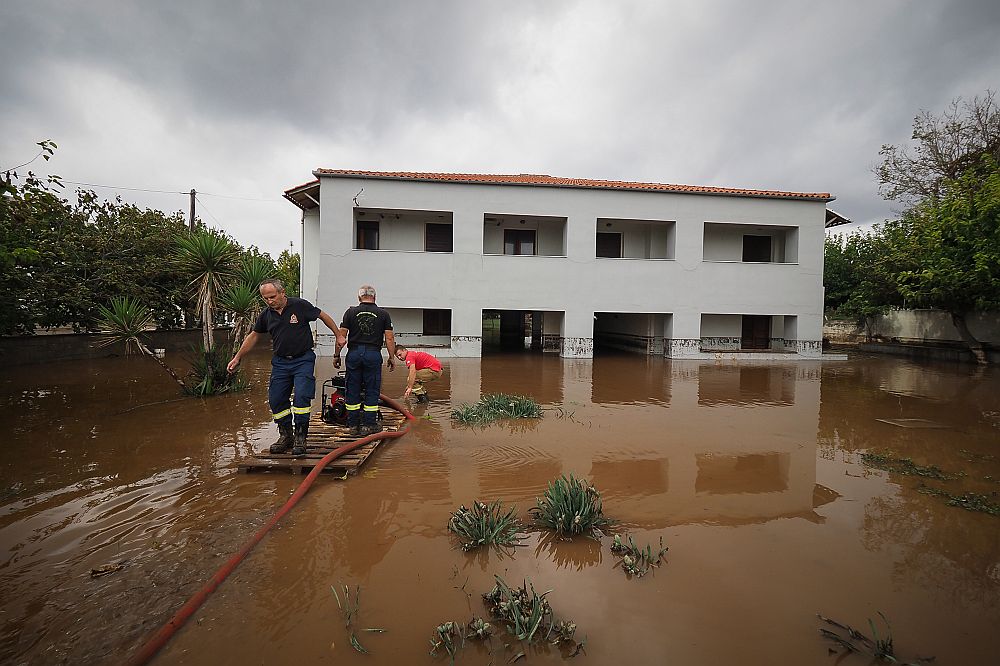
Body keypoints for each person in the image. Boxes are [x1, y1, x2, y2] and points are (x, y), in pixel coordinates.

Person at [227, 279, 346, 456]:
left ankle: (300, 437)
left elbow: (322, 315)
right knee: (276, 399)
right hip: (281, 362)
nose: (269, 301)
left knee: (301, 398)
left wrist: (338, 335)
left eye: (272, 297)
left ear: (283, 293)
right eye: (265, 298)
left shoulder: (299, 306)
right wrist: (237, 357)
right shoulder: (266, 315)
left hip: (303, 359)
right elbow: (253, 336)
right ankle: (286, 435)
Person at [334, 285, 396, 437]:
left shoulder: (350, 312)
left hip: (354, 353)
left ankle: (353, 425)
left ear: (359, 297)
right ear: (375, 297)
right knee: (372, 388)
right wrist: (392, 357)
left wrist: (336, 355)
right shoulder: (383, 314)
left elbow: (341, 337)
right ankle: (369, 425)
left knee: (352, 388)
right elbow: (389, 338)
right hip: (373, 354)